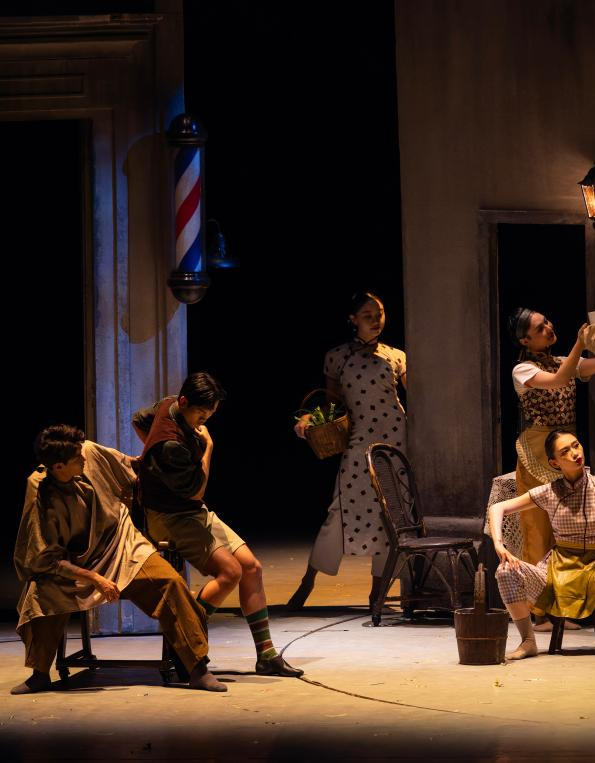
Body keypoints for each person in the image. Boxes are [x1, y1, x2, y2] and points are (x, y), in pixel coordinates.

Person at [12, 425, 224, 694]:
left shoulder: (89, 451)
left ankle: (197, 669)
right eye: (77, 458)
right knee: (39, 593)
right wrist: (95, 578)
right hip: (77, 563)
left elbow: (133, 466)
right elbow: (44, 559)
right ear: (58, 466)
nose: (84, 457)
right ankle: (39, 673)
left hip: (122, 544)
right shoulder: (39, 489)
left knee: (169, 582)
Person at [132, 372, 302, 677]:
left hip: (192, 511)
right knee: (230, 572)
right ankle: (185, 644)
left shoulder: (168, 405)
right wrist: (207, 447)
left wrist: (152, 463)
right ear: (184, 401)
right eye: (201, 414)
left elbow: (138, 420)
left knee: (251, 567)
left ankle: (266, 656)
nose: (204, 421)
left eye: (209, 416)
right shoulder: (170, 445)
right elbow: (197, 490)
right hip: (169, 517)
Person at [490, 430, 595, 661]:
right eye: (565, 451)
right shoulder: (550, 491)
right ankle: (528, 641)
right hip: (555, 572)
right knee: (505, 570)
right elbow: (498, 507)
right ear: (554, 463)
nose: (575, 453)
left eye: (576, 445)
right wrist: (499, 545)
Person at [290, 292, 407, 610]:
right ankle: (307, 583)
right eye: (368, 315)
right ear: (353, 319)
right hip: (358, 439)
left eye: (379, 313)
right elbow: (332, 404)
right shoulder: (337, 356)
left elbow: (419, 396)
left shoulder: (396, 356)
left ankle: (377, 593)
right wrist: (309, 419)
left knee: (390, 514)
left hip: (395, 439)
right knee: (339, 511)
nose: (376, 320)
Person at [507, 306, 595, 628]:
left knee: (567, 535)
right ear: (525, 340)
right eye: (540, 328)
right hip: (539, 453)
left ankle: (562, 607)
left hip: (566, 449)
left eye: (547, 322)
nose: (549, 328)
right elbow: (559, 380)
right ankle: (538, 612)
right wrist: (580, 343)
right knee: (538, 532)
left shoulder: (561, 360)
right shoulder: (523, 370)